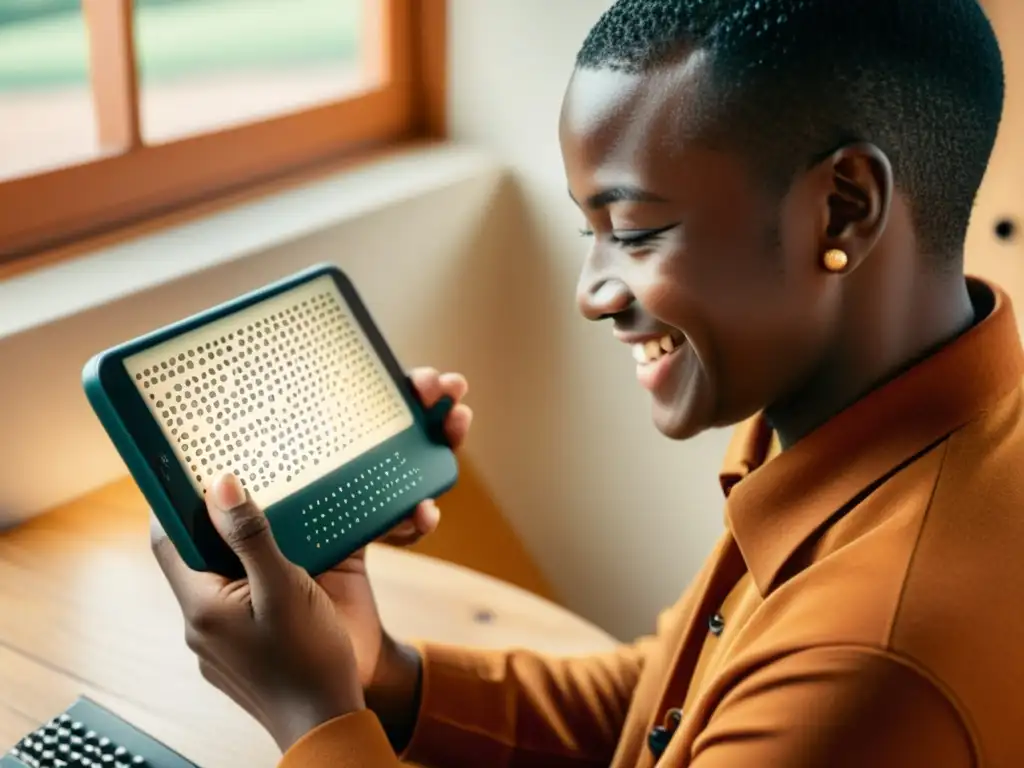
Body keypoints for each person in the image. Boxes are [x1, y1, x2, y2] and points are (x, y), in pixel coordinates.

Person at [150, 0, 1023, 765]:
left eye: (637, 232)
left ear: (844, 206)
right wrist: (379, 672)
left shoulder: (869, 669)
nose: (591, 295)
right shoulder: (868, 421)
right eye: (589, 234)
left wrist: (313, 716)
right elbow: (673, 709)